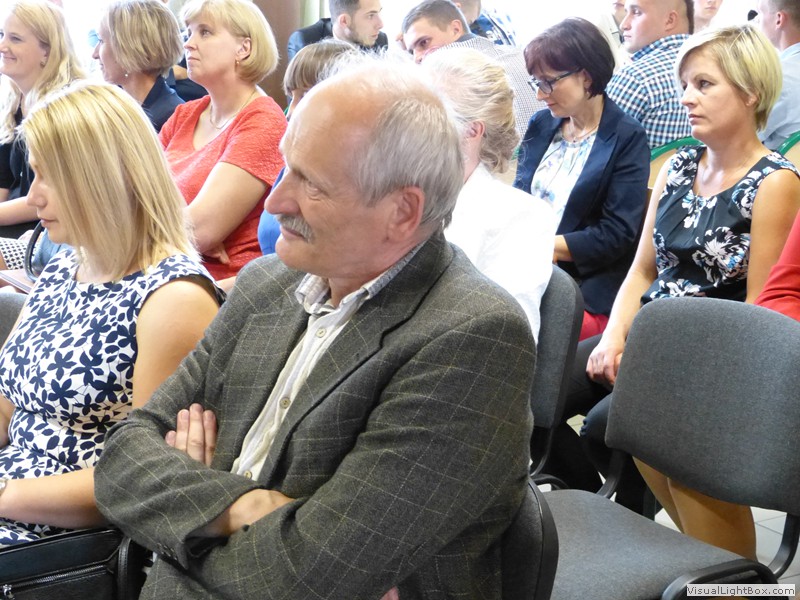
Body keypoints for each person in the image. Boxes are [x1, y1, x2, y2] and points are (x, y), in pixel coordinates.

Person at [94, 58, 535, 599]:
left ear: (403, 211)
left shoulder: (471, 337)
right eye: (287, 167)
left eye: (313, 185)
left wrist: (181, 519)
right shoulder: (265, 286)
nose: (276, 202)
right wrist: (244, 507)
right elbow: (120, 461)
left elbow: (305, 578)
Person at [580, 26, 800, 553]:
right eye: (685, 84)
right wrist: (614, 336)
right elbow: (642, 271)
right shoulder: (678, 167)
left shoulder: (775, 182)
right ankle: (705, 567)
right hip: (657, 345)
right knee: (624, 428)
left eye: (704, 84)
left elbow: (761, 314)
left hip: (716, 358)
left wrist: (659, 362)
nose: (686, 97)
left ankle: (735, 582)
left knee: (663, 449)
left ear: (750, 93)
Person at [0, 81, 221, 547]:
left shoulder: (174, 298)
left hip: (66, 536)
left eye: (47, 177)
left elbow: (143, 478)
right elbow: (8, 403)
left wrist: (5, 494)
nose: (33, 195)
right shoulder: (68, 263)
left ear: (101, 178)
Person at [513, 17, 650, 341]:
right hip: (526, 265)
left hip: (582, 284)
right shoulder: (542, 124)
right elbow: (519, 198)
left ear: (586, 76)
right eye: (536, 83)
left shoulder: (626, 137)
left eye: (549, 82)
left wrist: (544, 246)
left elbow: (616, 234)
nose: (540, 95)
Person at [423, 47, 555, 341]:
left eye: (428, 113)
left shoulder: (522, 216)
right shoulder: (393, 193)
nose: (408, 123)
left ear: (472, 131)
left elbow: (505, 341)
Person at [159, 0, 286, 280]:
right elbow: (130, 194)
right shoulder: (184, 114)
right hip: (167, 271)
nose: (188, 43)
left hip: (221, 285)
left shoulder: (263, 120)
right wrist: (185, 224)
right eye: (188, 32)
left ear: (244, 48)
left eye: (204, 32)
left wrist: (192, 227)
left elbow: (199, 232)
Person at [257, 38, 360, 260]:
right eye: (291, 96)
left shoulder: (350, 178)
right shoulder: (291, 162)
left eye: (305, 95)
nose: (291, 111)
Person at [0, 0, 84, 266]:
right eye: (2, 35)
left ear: (47, 51)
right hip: (21, 226)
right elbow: (3, 182)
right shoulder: (14, 102)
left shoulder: (67, 108)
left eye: (15, 39)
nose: (2, 46)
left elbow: (52, 194)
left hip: (51, 233)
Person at [401, 0, 545, 139]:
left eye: (424, 43)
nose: (417, 58)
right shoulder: (522, 55)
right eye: (412, 51)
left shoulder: (440, 80)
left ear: (455, 29)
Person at [607, 0, 693, 149]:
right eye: (626, 12)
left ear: (669, 20)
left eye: (636, 12)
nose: (623, 25)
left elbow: (593, 152)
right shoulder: (712, 70)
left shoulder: (634, 79)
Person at [92, 0, 184, 132]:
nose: (94, 54)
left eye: (101, 41)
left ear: (129, 49)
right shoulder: (114, 106)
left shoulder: (171, 119)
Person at [756, 0, 800, 151]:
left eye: (760, 13)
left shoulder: (774, 78)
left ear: (779, 19)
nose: (757, 21)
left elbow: (737, 137)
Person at [287, 0, 387, 62]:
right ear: (344, 21)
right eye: (370, 15)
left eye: (379, 13)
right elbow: (302, 90)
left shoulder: (379, 40)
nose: (381, 24)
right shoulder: (305, 41)